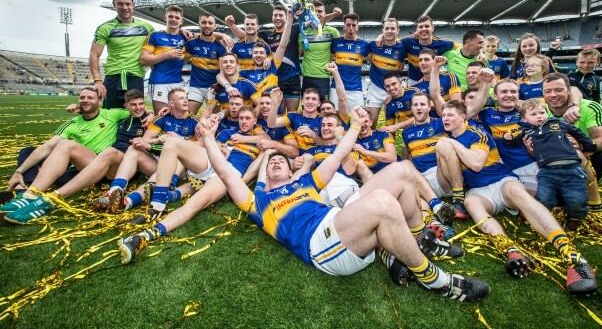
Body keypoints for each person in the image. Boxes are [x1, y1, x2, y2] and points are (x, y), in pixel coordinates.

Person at [122, 106, 490, 302]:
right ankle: (437, 281)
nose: (278, 161)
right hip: (324, 248)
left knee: (404, 170)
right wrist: (208, 138)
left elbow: (339, 154)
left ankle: (416, 239)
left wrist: (354, 126)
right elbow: (225, 170)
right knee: (379, 200)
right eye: (272, 162)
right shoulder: (256, 199)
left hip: (342, 223)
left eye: (281, 159)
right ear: (267, 174)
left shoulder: (308, 183)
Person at [440, 99, 597, 295]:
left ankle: (573, 256)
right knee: (472, 204)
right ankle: (510, 250)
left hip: (501, 180)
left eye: (450, 115)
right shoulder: (445, 138)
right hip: (478, 190)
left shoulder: (476, 133)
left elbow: (476, 164)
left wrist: (451, 142)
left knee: (518, 194)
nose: (445, 118)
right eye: (443, 115)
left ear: (463, 117)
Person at [117, 106, 268, 251]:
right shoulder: (228, 132)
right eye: (241, 118)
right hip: (213, 161)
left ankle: (146, 236)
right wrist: (218, 145)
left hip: (230, 172)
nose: (243, 121)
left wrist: (241, 183)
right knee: (172, 142)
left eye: (248, 118)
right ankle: (158, 202)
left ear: (255, 121)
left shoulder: (261, 141)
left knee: (195, 203)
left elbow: (258, 162)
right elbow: (212, 145)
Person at [1, 88, 136, 222]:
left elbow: (137, 109)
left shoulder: (111, 114)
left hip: (106, 165)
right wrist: (18, 171)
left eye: (90, 98)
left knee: (67, 145)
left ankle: (39, 196)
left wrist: (148, 115)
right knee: (31, 150)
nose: (85, 100)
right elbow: (47, 147)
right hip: (83, 165)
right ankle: (28, 194)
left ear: (99, 101)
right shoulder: (72, 123)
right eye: (82, 98)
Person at [92, 88, 198, 214]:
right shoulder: (162, 118)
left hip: (180, 167)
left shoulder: (194, 121)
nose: (186, 100)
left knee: (172, 160)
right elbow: (146, 140)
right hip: (161, 161)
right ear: (171, 103)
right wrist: (157, 141)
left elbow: (200, 147)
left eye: (186, 98)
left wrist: (180, 140)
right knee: (133, 149)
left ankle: (128, 201)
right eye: (181, 98)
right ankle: (114, 190)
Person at [505, 98, 597, 230]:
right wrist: (507, 139)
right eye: (533, 114)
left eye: (542, 112)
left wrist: (588, 146)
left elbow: (577, 132)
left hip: (571, 169)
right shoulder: (527, 132)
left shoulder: (558, 124)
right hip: (546, 172)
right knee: (543, 198)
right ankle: (541, 218)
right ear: (524, 119)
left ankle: (575, 219)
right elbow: (514, 142)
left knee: (577, 198)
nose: (539, 116)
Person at [542, 73, 602, 213]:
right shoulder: (540, 110)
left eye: (559, 90)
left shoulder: (589, 107)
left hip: (586, 154)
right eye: (548, 91)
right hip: (555, 158)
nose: (553, 95)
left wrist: (583, 145)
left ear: (569, 90)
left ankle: (592, 188)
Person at [227, 6, 302, 112]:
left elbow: (282, 45)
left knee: (290, 112)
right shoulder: (265, 35)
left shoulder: (294, 28)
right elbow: (247, 34)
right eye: (275, 15)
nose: (278, 17)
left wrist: (293, 16)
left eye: (281, 15)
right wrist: (229, 26)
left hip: (291, 78)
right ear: (252, 55)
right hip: (277, 78)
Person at [90, 0, 154, 108]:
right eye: (120, 4)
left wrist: (181, 31)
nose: (124, 7)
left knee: (135, 115)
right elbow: (94, 55)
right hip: (113, 77)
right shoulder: (105, 28)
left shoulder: (146, 27)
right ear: (114, 5)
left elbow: (162, 39)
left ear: (133, 5)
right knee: (110, 114)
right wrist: (97, 81)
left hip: (135, 76)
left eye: (127, 4)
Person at [140, 5, 187, 113]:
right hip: (159, 82)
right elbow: (143, 59)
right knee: (161, 116)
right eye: (171, 16)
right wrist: (166, 55)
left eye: (177, 18)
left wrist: (223, 36)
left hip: (177, 82)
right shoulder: (155, 35)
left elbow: (206, 34)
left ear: (181, 21)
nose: (173, 19)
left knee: (178, 114)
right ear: (165, 18)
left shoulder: (185, 37)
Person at [366, 18, 407, 128]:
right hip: (375, 88)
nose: (389, 31)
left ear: (397, 30)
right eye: (387, 28)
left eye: (392, 28)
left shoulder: (403, 48)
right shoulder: (373, 45)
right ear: (382, 30)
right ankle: (371, 144)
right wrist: (378, 38)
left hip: (391, 89)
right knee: (372, 122)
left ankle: (390, 145)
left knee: (390, 124)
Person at [184, 14, 228, 115]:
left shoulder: (220, 47)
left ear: (215, 26)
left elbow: (222, 71)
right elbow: (181, 62)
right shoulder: (192, 43)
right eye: (204, 22)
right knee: (188, 117)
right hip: (196, 87)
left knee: (213, 120)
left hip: (214, 88)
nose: (207, 25)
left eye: (210, 23)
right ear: (199, 24)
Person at [299, 1, 342, 100]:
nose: (317, 14)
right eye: (314, 11)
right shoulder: (303, 32)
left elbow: (337, 51)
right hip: (307, 77)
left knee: (323, 110)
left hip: (324, 77)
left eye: (320, 11)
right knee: (307, 109)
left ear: (325, 14)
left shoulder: (333, 32)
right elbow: (299, 53)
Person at [401, 15, 460, 86]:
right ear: (417, 30)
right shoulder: (409, 42)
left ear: (432, 28)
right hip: (414, 82)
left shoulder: (442, 43)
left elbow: (463, 47)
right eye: (421, 27)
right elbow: (393, 43)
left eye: (427, 26)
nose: (423, 29)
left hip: (433, 81)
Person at [267, 87, 324, 155]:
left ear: (319, 103)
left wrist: (314, 135)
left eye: (314, 99)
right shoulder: (293, 115)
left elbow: (326, 145)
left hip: (315, 157)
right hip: (294, 157)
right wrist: (275, 104)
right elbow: (271, 124)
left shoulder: (323, 119)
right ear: (302, 101)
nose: (310, 102)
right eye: (307, 98)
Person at [330, 13, 370, 111]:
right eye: (348, 25)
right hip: (336, 88)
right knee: (335, 119)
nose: (351, 28)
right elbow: (328, 59)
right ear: (344, 26)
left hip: (355, 89)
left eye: (353, 25)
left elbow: (372, 60)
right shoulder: (335, 42)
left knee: (357, 119)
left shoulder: (364, 44)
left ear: (357, 27)